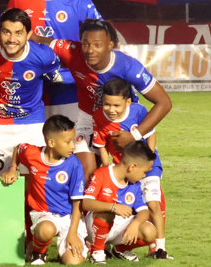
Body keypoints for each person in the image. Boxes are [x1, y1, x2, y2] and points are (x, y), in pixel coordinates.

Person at [46, 19, 172, 180]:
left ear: (110, 45)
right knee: (85, 171)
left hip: (124, 120)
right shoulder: (72, 50)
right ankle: (86, 205)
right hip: (89, 118)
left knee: (135, 176)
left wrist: (135, 135)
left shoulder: (128, 66)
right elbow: (42, 40)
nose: (90, 50)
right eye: (86, 44)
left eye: (97, 45)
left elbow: (165, 102)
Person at [6, 0, 102, 121]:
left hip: (68, 86)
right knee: (34, 146)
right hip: (29, 87)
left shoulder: (79, 0)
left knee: (66, 143)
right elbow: (6, 33)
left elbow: (102, 39)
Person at [0, 8, 61, 176]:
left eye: (18, 33)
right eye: (6, 32)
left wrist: (55, 77)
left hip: (33, 123)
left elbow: (69, 67)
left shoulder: (43, 55)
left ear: (29, 34)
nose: (12, 39)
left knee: (37, 179)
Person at [92, 78, 170, 259]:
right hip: (124, 170)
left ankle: (160, 248)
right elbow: (101, 146)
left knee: (152, 205)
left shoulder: (139, 111)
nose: (111, 110)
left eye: (117, 106)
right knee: (124, 207)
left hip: (148, 167)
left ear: (128, 102)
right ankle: (113, 247)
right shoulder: (97, 117)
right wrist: (106, 171)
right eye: (107, 104)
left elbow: (151, 135)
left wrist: (148, 160)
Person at [0, 115, 87, 265]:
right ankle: (39, 252)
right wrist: (13, 168)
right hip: (43, 214)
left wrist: (72, 233)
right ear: (51, 142)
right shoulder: (32, 154)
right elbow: (19, 149)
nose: (73, 146)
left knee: (73, 262)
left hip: (69, 219)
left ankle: (71, 247)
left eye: (73, 141)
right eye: (68, 142)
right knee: (45, 230)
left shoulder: (74, 164)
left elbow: (77, 203)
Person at [82, 141, 158, 264]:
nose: (144, 176)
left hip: (120, 229)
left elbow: (144, 211)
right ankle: (97, 251)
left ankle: (121, 250)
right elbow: (86, 202)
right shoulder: (102, 174)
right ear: (132, 167)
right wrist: (113, 207)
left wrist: (136, 223)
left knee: (150, 231)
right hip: (95, 226)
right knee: (108, 213)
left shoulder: (135, 184)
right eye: (144, 172)